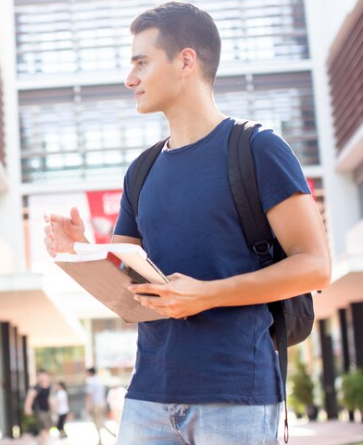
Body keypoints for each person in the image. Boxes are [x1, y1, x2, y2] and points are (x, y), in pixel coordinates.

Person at [43, 2, 331, 444]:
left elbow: (315, 266)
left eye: (141, 62)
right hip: (147, 398)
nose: (129, 78)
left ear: (186, 61)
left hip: (237, 396)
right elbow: (129, 297)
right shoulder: (141, 170)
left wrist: (207, 295)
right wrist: (83, 251)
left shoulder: (258, 149)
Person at [24, 369, 53, 445]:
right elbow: (30, 397)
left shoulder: (48, 387)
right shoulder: (37, 387)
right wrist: (28, 408)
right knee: (44, 427)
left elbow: (49, 399)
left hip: (47, 410)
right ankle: (42, 442)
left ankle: (41, 441)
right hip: (40, 411)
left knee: (47, 428)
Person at [85, 368, 109, 445]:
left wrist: (88, 406)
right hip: (103, 403)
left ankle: (101, 439)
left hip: (96, 404)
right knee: (101, 422)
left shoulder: (91, 381)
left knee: (97, 422)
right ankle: (101, 439)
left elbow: (89, 395)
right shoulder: (100, 380)